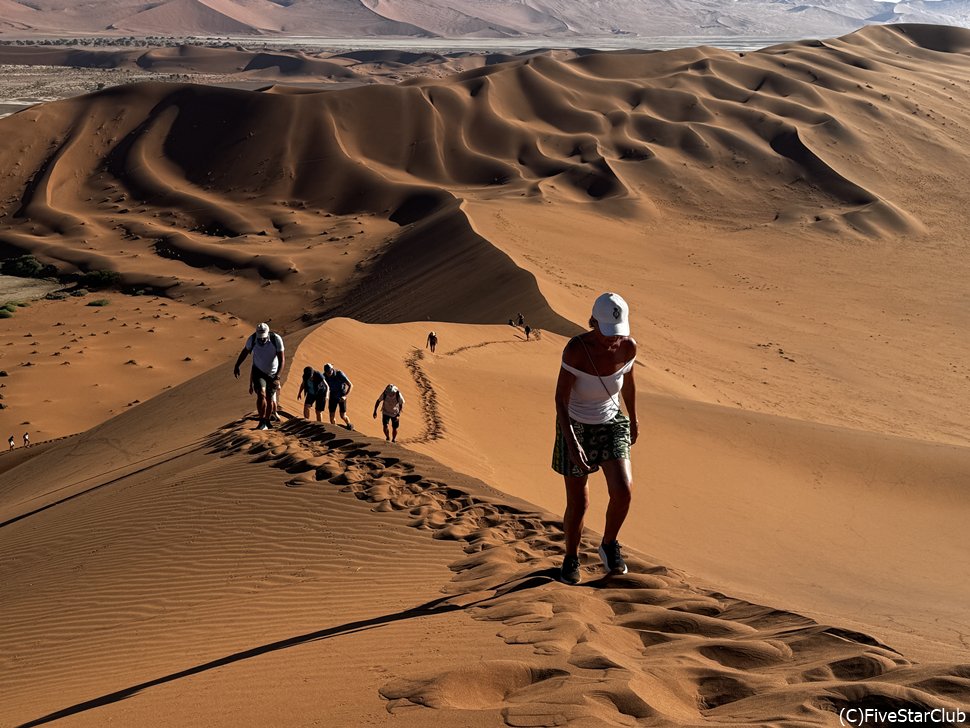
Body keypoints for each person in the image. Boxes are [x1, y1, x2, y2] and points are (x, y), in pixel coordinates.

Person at [553, 292, 638, 586]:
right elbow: (561, 399)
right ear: (593, 323)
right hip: (575, 424)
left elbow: (628, 383)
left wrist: (634, 418)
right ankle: (571, 557)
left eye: (617, 333)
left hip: (611, 421)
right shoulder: (576, 350)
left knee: (623, 491)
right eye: (606, 332)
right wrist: (572, 443)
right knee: (579, 502)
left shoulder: (628, 347)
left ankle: (609, 544)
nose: (613, 340)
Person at [233, 322, 285, 431]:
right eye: (260, 337)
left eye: (263, 337)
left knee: (270, 398)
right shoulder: (252, 339)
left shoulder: (276, 339)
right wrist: (237, 365)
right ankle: (262, 421)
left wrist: (277, 376)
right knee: (261, 394)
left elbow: (282, 360)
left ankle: (267, 420)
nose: (261, 339)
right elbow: (245, 351)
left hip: (273, 373)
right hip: (258, 372)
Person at [323, 363, 353, 430]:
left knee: (343, 415)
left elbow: (350, 385)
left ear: (332, 369)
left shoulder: (339, 374)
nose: (328, 374)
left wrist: (345, 396)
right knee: (331, 416)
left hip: (341, 396)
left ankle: (349, 426)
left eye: (329, 372)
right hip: (332, 396)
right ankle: (335, 430)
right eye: (327, 372)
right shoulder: (324, 376)